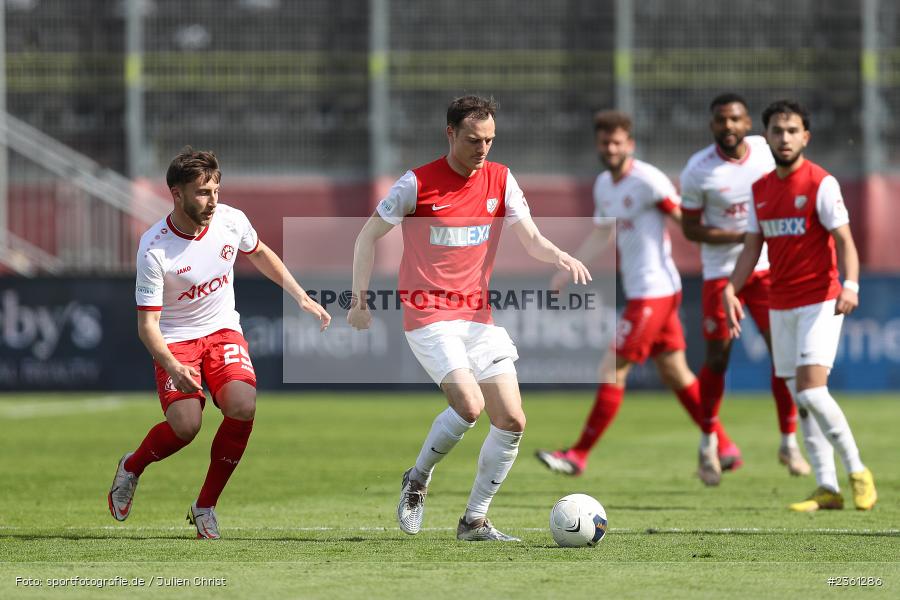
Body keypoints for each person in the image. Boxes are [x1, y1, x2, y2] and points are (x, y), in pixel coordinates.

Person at [348, 95, 591, 542]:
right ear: (451, 134)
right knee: (470, 406)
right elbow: (367, 236)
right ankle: (417, 479)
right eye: (474, 140)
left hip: (478, 316)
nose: (483, 149)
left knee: (513, 420)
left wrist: (558, 255)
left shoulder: (501, 179)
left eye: (490, 141)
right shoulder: (416, 184)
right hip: (428, 313)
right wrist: (359, 299)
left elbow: (531, 238)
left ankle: (473, 521)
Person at [108, 148, 331, 538]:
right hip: (175, 340)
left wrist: (299, 294)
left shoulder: (231, 220)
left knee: (243, 405)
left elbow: (258, 252)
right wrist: (175, 367)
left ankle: (205, 506)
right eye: (201, 193)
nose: (212, 201)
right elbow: (148, 326)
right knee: (186, 426)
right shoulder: (155, 247)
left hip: (222, 330)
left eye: (215, 190)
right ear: (175, 194)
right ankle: (132, 467)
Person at [535, 110, 740, 477]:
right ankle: (725, 446)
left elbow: (684, 220)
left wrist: (718, 246)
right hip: (647, 291)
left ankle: (578, 455)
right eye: (605, 143)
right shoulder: (603, 185)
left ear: (630, 144)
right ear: (599, 145)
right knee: (676, 372)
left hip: (655, 291)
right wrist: (568, 265)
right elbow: (602, 232)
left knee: (611, 367)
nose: (611, 149)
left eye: (618, 142)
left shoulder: (647, 180)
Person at [724, 99, 877, 511]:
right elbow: (751, 249)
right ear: (766, 136)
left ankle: (858, 470)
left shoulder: (820, 184)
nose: (785, 138)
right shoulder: (760, 190)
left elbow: (845, 241)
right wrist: (730, 289)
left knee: (811, 392)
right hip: (780, 303)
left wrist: (852, 285)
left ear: (805, 137)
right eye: (777, 130)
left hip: (820, 300)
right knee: (799, 398)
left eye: (792, 131)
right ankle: (827, 487)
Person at [680, 93, 810, 486]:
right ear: (712, 125)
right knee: (717, 359)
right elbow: (690, 228)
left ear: (748, 123)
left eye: (735, 119)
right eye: (721, 120)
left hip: (768, 270)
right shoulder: (698, 170)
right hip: (721, 273)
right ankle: (708, 444)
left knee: (784, 356)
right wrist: (743, 234)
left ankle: (789, 443)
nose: (729, 127)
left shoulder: (764, 152)